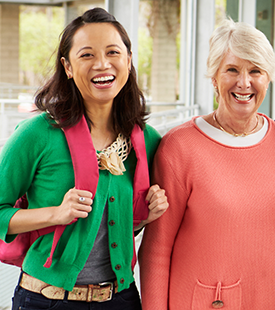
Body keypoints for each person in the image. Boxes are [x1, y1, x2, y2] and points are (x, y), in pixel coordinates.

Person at [138, 20, 275, 310]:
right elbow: (157, 250)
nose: (244, 83)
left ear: (268, 78)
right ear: (214, 77)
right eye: (232, 70)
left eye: (255, 71)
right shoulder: (179, 147)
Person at [0, 7, 166, 309]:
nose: (102, 64)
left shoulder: (147, 141)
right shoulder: (37, 134)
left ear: (128, 60)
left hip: (120, 299)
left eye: (113, 52)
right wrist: (56, 213)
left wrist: (147, 215)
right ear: (67, 66)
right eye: (87, 55)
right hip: (44, 300)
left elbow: (120, 226)